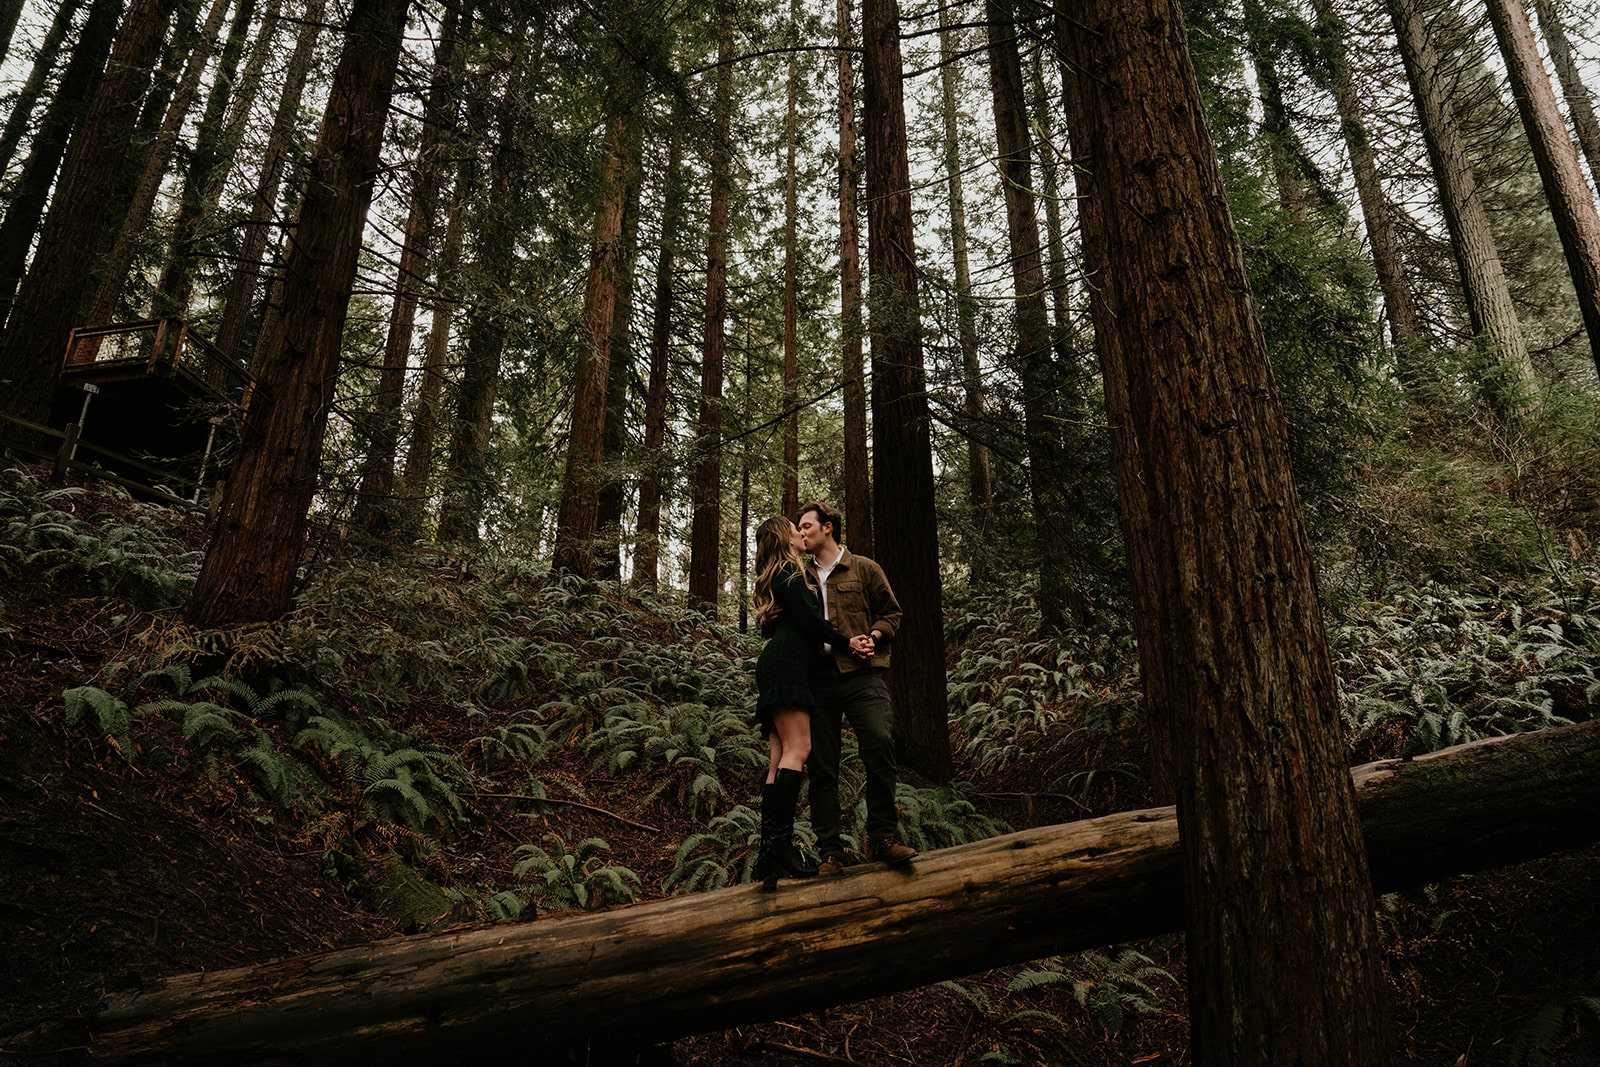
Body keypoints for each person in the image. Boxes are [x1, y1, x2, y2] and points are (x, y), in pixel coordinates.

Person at [796, 500, 918, 874]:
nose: (801, 533)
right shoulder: (799, 577)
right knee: (822, 767)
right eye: (799, 529)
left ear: (828, 527)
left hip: (863, 673)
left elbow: (891, 612)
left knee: (880, 745)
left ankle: (883, 838)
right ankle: (830, 852)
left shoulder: (865, 568)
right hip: (818, 679)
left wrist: (876, 635)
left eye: (806, 526)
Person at [750, 515, 869, 890]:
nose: (802, 534)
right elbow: (811, 623)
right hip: (787, 666)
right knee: (799, 749)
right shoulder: (790, 570)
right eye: (795, 529)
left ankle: (769, 852)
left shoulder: (779, 573)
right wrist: (846, 640)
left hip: (777, 663)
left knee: (779, 756)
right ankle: (780, 848)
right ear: (784, 538)